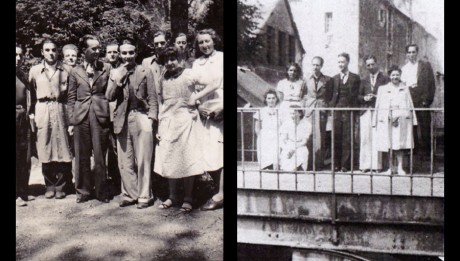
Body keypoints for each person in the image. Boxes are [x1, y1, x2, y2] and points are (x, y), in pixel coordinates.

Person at [106, 39, 158, 209]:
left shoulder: (145, 71)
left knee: (143, 158)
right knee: (125, 159)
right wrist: (118, 81)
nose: (127, 56)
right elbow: (109, 96)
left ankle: (144, 195)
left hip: (141, 116)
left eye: (130, 53)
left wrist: (151, 119)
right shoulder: (115, 72)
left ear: (136, 53)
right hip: (122, 118)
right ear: (120, 54)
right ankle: (130, 193)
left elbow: (153, 98)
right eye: (124, 53)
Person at [154, 47, 205, 212]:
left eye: (173, 59)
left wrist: (195, 98)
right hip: (168, 122)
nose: (169, 63)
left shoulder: (189, 74)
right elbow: (163, 102)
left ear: (180, 58)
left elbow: (212, 83)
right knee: (170, 157)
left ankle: (188, 197)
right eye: (166, 60)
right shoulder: (163, 77)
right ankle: (173, 196)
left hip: (186, 120)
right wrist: (160, 124)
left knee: (187, 159)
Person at [67, 34, 112, 203]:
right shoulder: (75, 71)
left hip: (100, 114)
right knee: (82, 155)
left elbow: (110, 92)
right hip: (81, 116)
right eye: (93, 48)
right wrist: (71, 121)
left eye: (98, 48)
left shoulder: (105, 67)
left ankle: (102, 192)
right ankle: (83, 191)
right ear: (84, 51)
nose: (97, 51)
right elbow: (71, 98)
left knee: (100, 155)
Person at [28, 38, 73, 200]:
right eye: (47, 50)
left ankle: (61, 185)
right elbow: (31, 94)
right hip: (43, 110)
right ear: (42, 52)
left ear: (57, 51)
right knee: (45, 147)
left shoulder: (66, 70)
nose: (51, 53)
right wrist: (32, 113)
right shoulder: (34, 71)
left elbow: (70, 96)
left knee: (63, 147)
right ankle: (49, 185)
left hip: (61, 109)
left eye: (53, 49)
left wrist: (71, 120)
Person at [189, 28, 223, 211]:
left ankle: (221, 194)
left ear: (214, 41)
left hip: (219, 107)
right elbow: (194, 86)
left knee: (220, 151)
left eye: (207, 41)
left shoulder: (222, 58)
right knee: (207, 152)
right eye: (201, 42)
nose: (204, 45)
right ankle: (218, 191)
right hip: (203, 110)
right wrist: (198, 105)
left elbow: (217, 83)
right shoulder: (197, 63)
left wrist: (222, 108)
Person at [373, 66, 417, 175]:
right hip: (387, 119)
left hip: (401, 120)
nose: (395, 77)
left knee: (399, 145)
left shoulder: (405, 88)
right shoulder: (382, 89)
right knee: (389, 144)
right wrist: (377, 119)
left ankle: (400, 167)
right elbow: (378, 105)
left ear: (400, 75)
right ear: (389, 76)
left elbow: (409, 104)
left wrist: (413, 120)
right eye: (393, 75)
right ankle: (390, 168)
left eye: (397, 75)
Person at [400, 44, 436, 165]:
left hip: (422, 98)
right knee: (412, 126)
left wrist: (427, 100)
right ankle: (414, 153)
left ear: (417, 53)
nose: (411, 54)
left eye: (413, 52)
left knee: (424, 126)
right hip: (410, 97)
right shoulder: (404, 69)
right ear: (406, 54)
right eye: (409, 52)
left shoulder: (425, 66)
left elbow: (431, 84)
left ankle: (427, 155)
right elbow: (403, 86)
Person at [329, 52, 361, 172]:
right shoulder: (335, 78)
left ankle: (345, 165)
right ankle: (336, 164)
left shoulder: (355, 77)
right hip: (337, 110)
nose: (340, 64)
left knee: (348, 138)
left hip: (349, 110)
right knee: (336, 136)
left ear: (347, 62)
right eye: (339, 62)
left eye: (342, 62)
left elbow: (357, 94)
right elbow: (331, 94)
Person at [358, 55, 389, 173]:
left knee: (377, 138)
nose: (370, 67)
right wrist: (364, 98)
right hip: (366, 111)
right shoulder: (364, 80)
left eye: (372, 64)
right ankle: (365, 165)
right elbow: (358, 96)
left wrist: (377, 97)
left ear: (376, 64)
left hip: (379, 111)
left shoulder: (385, 79)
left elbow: (387, 94)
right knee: (365, 138)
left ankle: (377, 166)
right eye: (368, 65)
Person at [302, 56, 332, 170]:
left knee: (321, 136)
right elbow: (303, 95)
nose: (315, 67)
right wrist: (305, 107)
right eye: (313, 64)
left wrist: (326, 107)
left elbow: (329, 95)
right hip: (309, 110)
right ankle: (309, 163)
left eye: (317, 65)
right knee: (308, 135)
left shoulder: (327, 80)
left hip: (321, 110)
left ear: (321, 66)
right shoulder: (306, 79)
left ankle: (319, 163)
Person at [104, 41, 122, 197]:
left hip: (121, 112)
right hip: (106, 114)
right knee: (111, 147)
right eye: (109, 52)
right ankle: (112, 179)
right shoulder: (102, 69)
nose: (112, 55)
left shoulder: (123, 68)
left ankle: (122, 180)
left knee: (120, 146)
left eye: (115, 52)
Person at [16, 44, 33, 206]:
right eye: (15, 55)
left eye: (20, 55)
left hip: (23, 118)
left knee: (24, 156)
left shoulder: (21, 75)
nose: (18, 58)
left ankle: (22, 191)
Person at [61, 43, 79, 193]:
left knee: (77, 147)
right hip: (65, 112)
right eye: (68, 55)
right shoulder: (62, 72)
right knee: (67, 147)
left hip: (78, 112)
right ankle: (67, 181)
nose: (71, 58)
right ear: (63, 58)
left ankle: (79, 179)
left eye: (73, 55)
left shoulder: (80, 70)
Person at [279, 105, 312, 171]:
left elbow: (304, 141)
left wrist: (294, 148)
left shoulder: (307, 124)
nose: (292, 116)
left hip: (300, 145)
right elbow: (284, 139)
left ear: (300, 113)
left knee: (302, 152)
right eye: (290, 113)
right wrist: (288, 147)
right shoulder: (286, 123)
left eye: (294, 113)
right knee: (285, 154)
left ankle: (298, 167)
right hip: (289, 144)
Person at [254, 90, 281, 170]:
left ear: (276, 99)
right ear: (266, 99)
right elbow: (257, 126)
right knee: (265, 150)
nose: (271, 100)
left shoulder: (280, 110)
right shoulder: (262, 111)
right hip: (265, 133)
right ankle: (266, 166)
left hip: (277, 133)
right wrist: (260, 136)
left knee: (275, 151)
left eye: (273, 98)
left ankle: (275, 165)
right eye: (269, 98)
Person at [142, 30, 168, 101]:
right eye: (156, 44)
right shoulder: (146, 62)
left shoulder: (172, 62)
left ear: (167, 43)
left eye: (162, 43)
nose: (159, 46)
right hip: (153, 103)